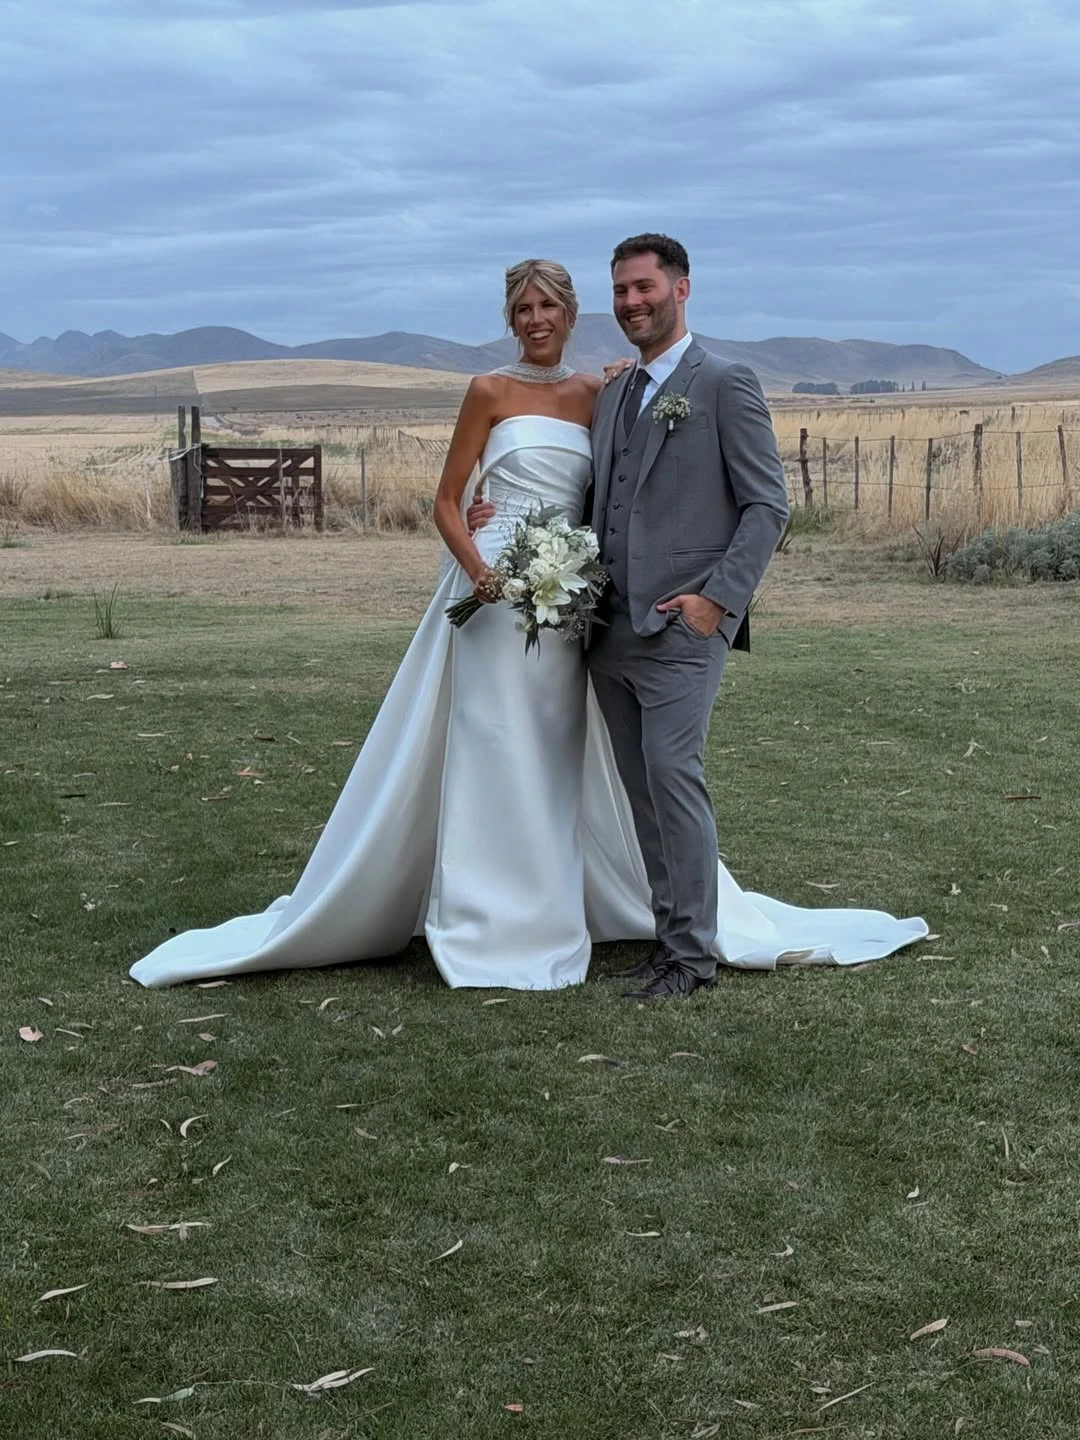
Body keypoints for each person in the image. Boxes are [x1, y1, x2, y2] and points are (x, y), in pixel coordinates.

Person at [129, 257, 927, 992]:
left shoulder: (605, 393)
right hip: (494, 593)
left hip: (572, 601)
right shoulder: (486, 391)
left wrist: (628, 575)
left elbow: (619, 495)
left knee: (562, 753)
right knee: (490, 747)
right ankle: (484, 921)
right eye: (522, 307)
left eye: (548, 305)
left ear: (575, 313)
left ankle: (590, 912)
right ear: (510, 316)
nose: (535, 318)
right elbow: (446, 501)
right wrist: (483, 562)